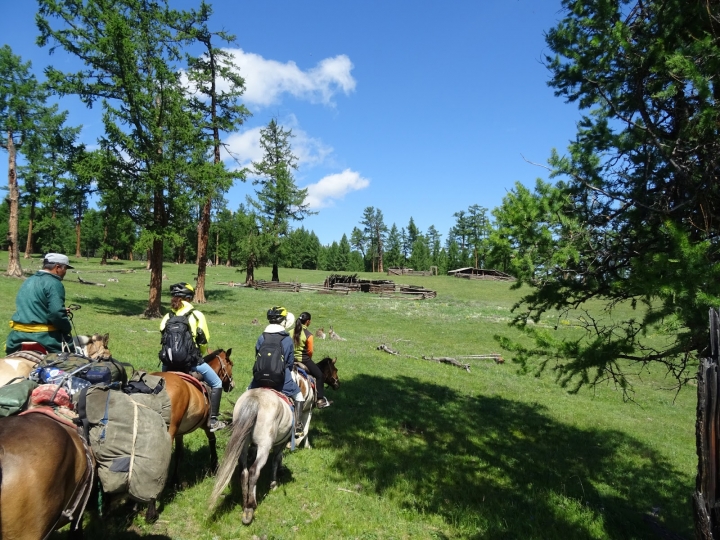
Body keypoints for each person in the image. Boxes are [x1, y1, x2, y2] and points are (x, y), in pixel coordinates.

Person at [159, 282, 227, 432]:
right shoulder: (196, 315)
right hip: (191, 363)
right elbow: (203, 340)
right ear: (189, 298)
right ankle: (213, 420)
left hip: (168, 364)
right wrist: (200, 354)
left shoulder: (167, 316)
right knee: (216, 383)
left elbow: (163, 338)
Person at [5, 253, 75, 354]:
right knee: (73, 360)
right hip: (44, 338)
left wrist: (61, 310)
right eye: (65, 269)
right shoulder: (54, 283)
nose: (65, 272)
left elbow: (34, 305)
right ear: (57, 267)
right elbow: (56, 314)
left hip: (17, 337)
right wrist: (66, 328)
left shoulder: (28, 280)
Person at [250, 306, 303, 436]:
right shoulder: (286, 339)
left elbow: (257, 356)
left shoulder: (261, 337)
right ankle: (297, 425)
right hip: (281, 380)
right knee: (299, 396)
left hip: (259, 379)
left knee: (246, 395)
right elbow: (289, 363)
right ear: (283, 321)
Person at [293, 312, 332, 409]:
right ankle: (320, 399)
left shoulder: (290, 331)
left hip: (291, 359)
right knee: (319, 375)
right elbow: (310, 351)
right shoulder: (309, 335)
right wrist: (308, 359)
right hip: (304, 360)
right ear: (308, 321)